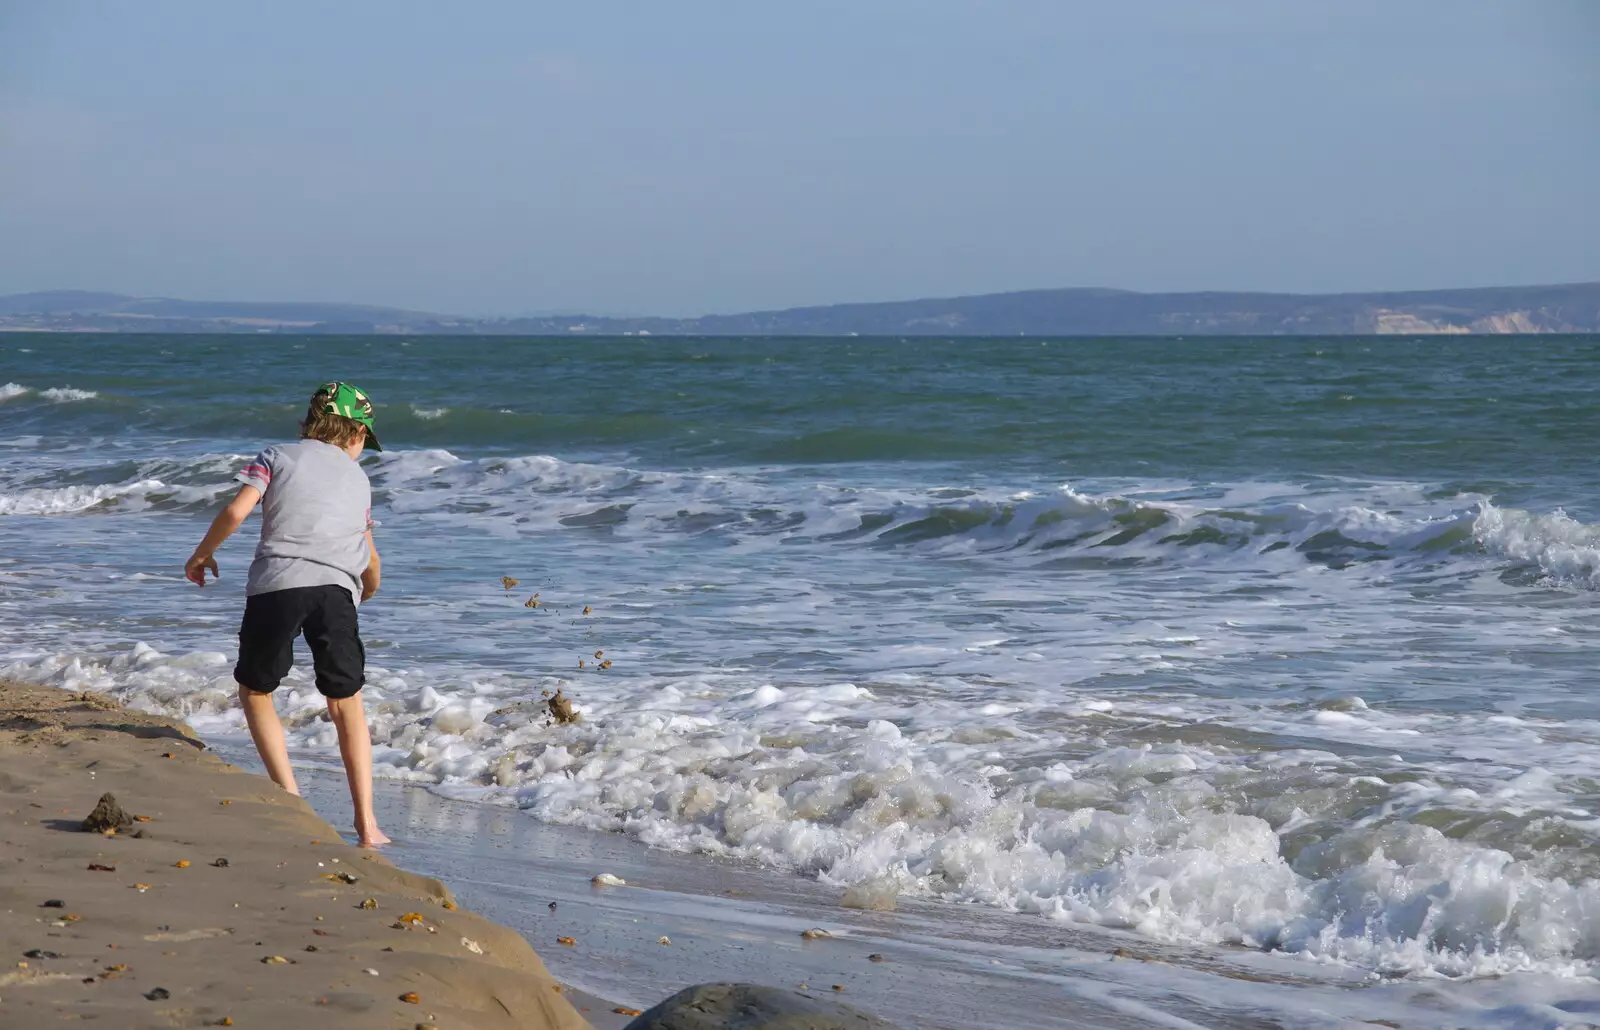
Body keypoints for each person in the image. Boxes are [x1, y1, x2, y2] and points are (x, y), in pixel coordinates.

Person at [184, 382, 390, 847]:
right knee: (346, 702)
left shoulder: (275, 456)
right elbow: (370, 558)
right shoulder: (359, 481)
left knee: (256, 689)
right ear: (356, 432)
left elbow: (237, 511)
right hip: (337, 592)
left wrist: (202, 555)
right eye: (365, 441)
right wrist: (365, 590)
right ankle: (368, 824)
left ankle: (291, 798)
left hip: (277, 586)